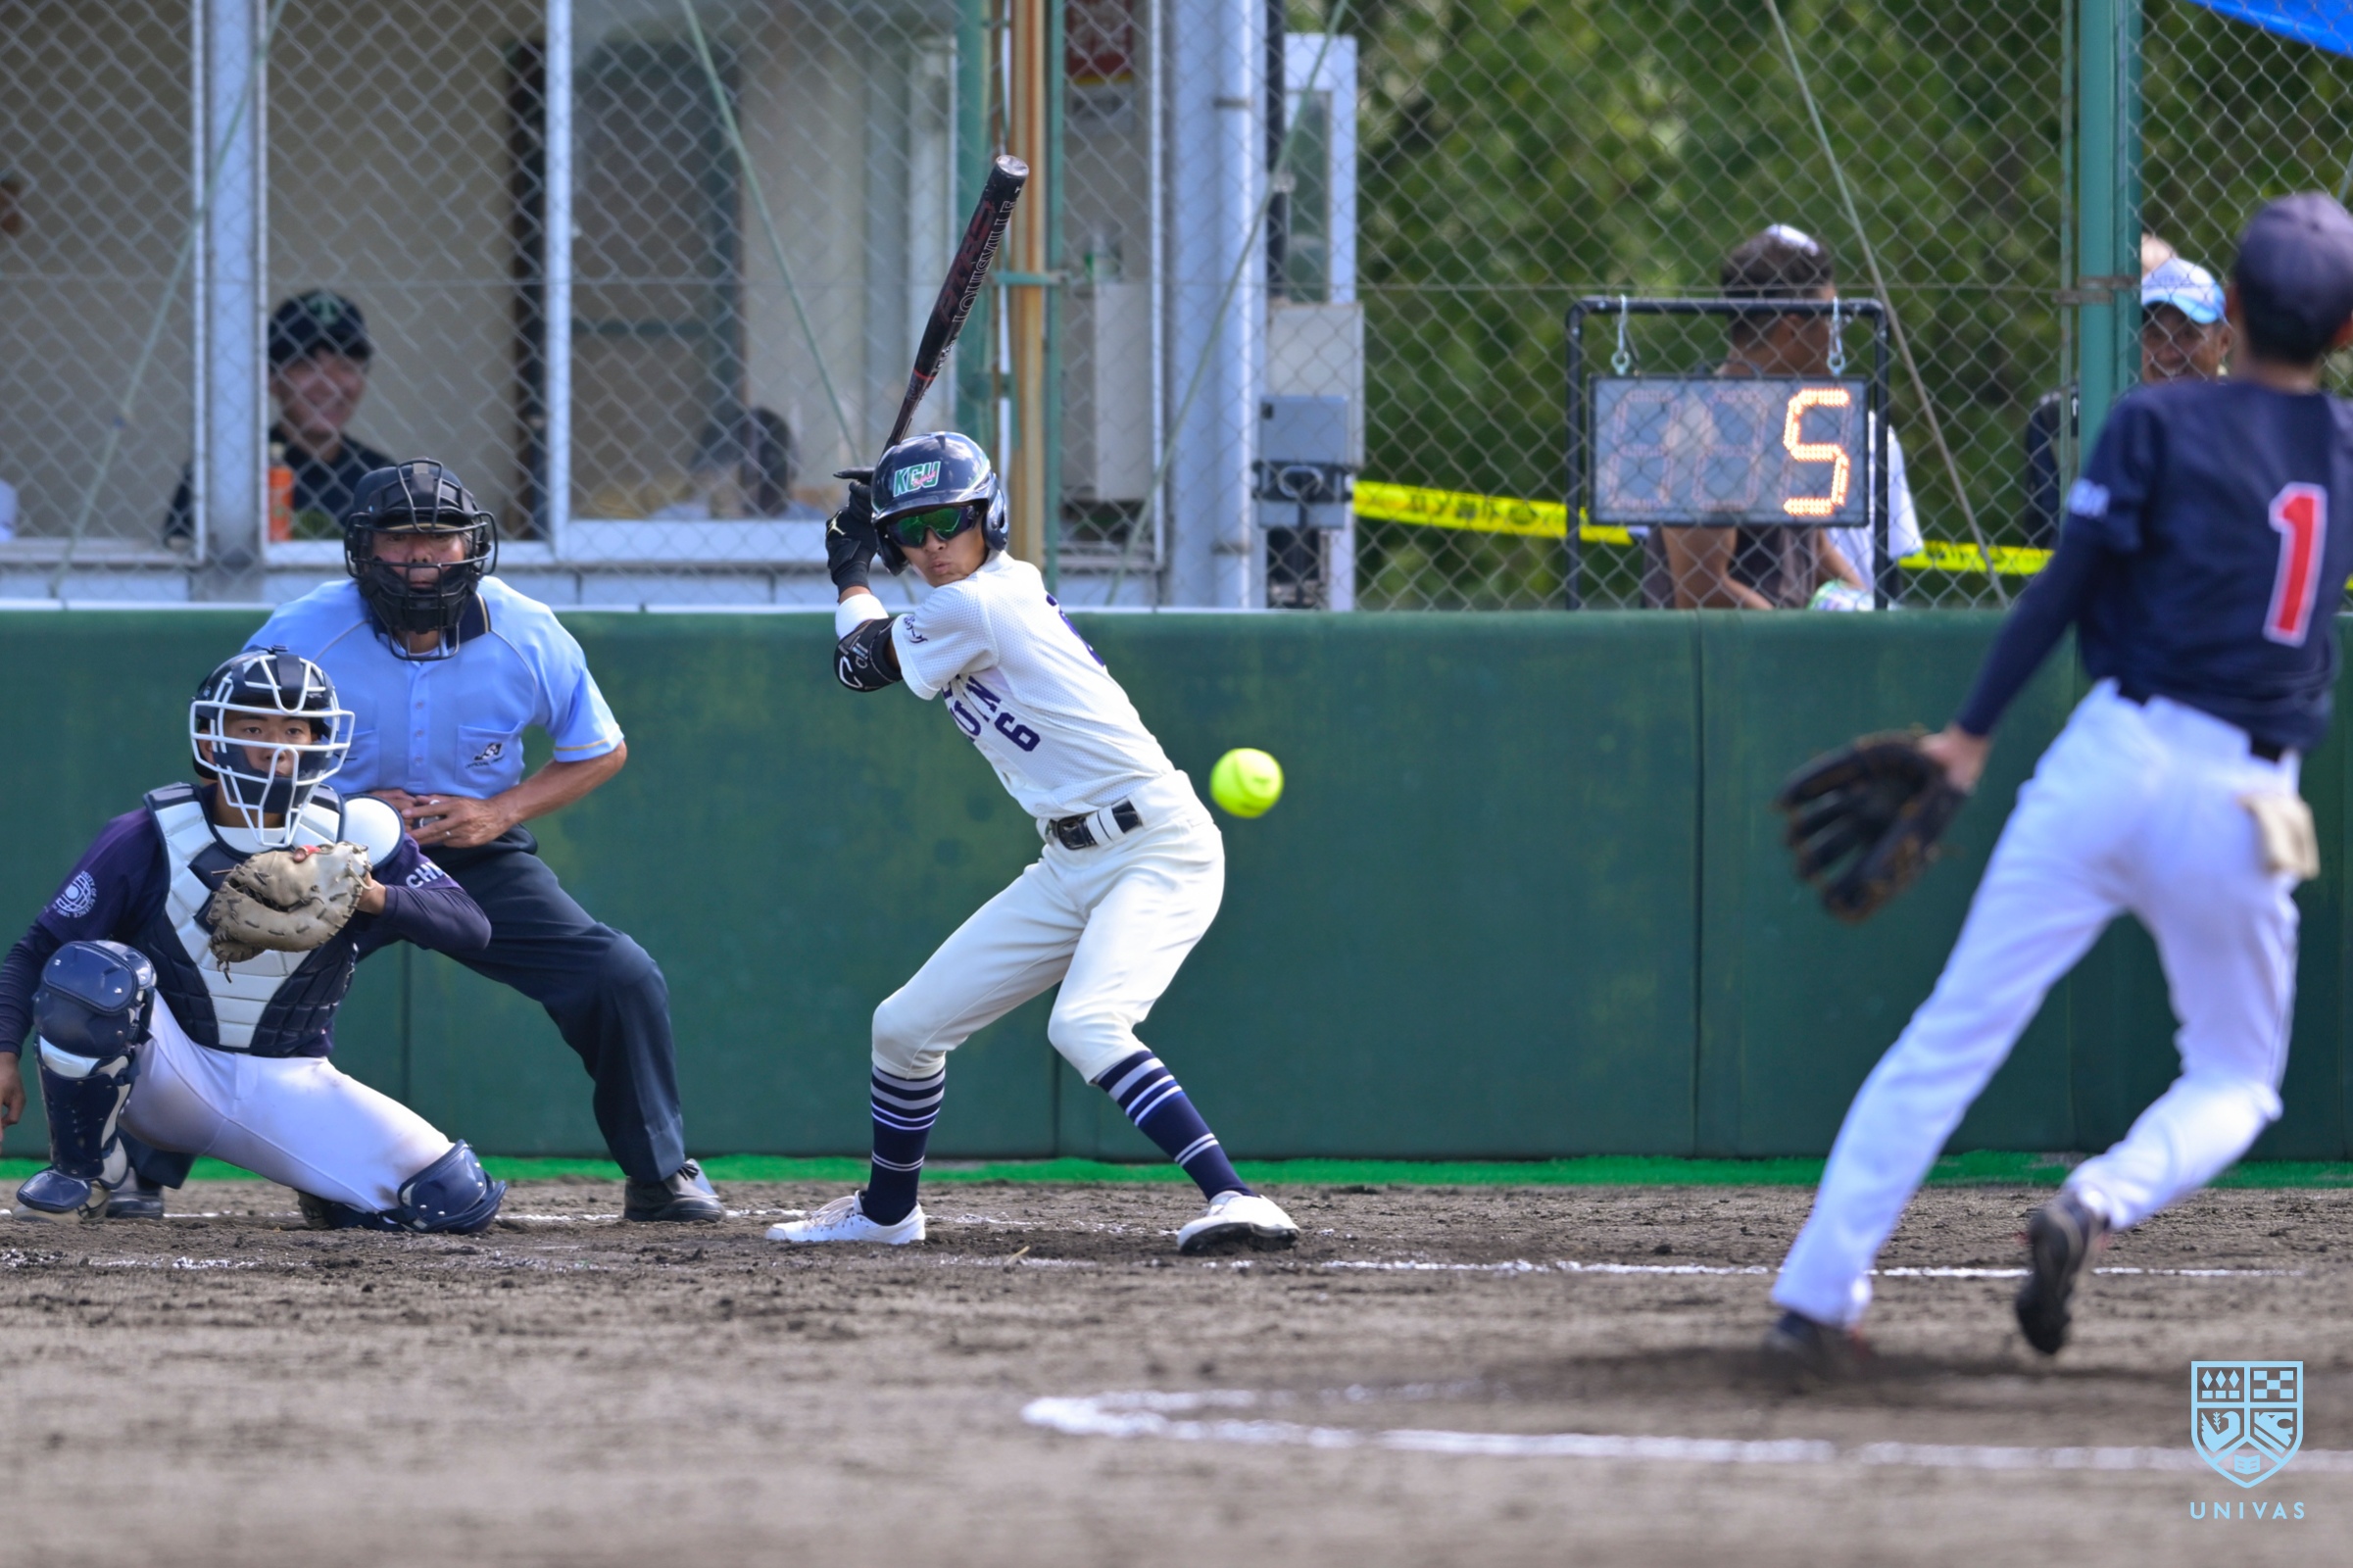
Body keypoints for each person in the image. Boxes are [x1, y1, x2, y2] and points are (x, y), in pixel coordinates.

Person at [1763, 194, 2353, 1375]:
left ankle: (1816, 1296)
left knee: (1950, 1033)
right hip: (2244, 795)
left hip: (2111, 756)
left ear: (2231, 311)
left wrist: (1967, 738)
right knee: (2237, 1078)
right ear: (2342, 333)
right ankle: (2096, 1199)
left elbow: (2062, 589)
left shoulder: (2153, 420)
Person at [772, 431, 1300, 1253]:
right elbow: (873, 655)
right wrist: (868, 560)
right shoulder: (963, 602)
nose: (933, 544)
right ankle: (886, 1213)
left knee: (1086, 1024)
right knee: (904, 1029)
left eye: (950, 520)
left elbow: (859, 666)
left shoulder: (977, 603)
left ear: (989, 517)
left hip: (1156, 847)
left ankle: (1237, 1198)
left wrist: (849, 572)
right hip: (1069, 861)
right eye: (910, 530)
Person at [244, 459, 722, 1223]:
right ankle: (138, 1170)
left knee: (617, 975)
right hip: (330, 852)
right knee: (217, 969)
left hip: (475, 854)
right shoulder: (302, 631)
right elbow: (240, 750)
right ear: (363, 549)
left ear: (472, 546)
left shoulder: (525, 629)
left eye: (440, 538)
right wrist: (336, 808)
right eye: (400, 538)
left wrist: (500, 811)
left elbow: (600, 749)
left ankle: (660, 1174)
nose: (421, 557)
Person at [0, 648, 506, 1232]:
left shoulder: (356, 835)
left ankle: (327, 1185)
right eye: (254, 728)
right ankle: (84, 1170)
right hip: (166, 1073)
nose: (276, 746)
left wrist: (368, 894)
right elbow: (38, 950)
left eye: (294, 729)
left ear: (319, 741)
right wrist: (4, 1052)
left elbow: (470, 926)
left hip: (288, 1079)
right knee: (92, 969)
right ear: (212, 740)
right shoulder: (149, 834)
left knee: (451, 1199)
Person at [1651, 226, 1921, 609]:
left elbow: (1815, 550)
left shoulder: (1791, 418)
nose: (1838, 337)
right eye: (1832, 321)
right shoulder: (1704, 427)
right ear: (1793, 329)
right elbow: (1702, 590)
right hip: (1729, 647)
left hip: (1784, 639)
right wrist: (1798, 637)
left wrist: (1876, 621)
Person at [2023, 254, 2233, 547]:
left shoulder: (2253, 421)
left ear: (2223, 341)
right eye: (2154, 335)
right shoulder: (2089, 418)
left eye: (2187, 334)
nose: (2169, 352)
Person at [164, 292, 395, 547]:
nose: (329, 385)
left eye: (346, 367)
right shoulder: (224, 471)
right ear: (271, 378)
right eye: (307, 366)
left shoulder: (382, 479)